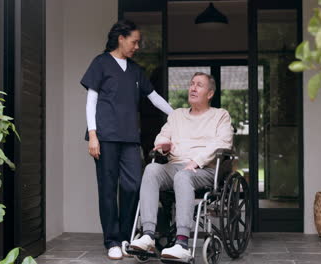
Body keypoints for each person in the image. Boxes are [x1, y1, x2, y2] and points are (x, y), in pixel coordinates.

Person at [80, 20, 173, 260]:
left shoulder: (135, 70)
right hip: (105, 137)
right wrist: (93, 135)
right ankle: (111, 240)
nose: (137, 46)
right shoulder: (100, 63)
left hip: (130, 139)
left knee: (133, 186)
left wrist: (179, 116)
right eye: (134, 41)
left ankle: (125, 237)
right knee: (108, 190)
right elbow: (91, 101)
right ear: (121, 38)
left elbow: (154, 97)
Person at [130, 72, 233, 262]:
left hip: (204, 169)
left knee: (183, 176)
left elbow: (223, 143)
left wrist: (197, 160)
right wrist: (164, 145)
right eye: (192, 84)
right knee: (151, 170)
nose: (193, 88)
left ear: (209, 94)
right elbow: (162, 136)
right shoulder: (177, 115)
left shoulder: (220, 115)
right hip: (175, 165)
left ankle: (182, 243)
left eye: (199, 85)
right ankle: (148, 235)